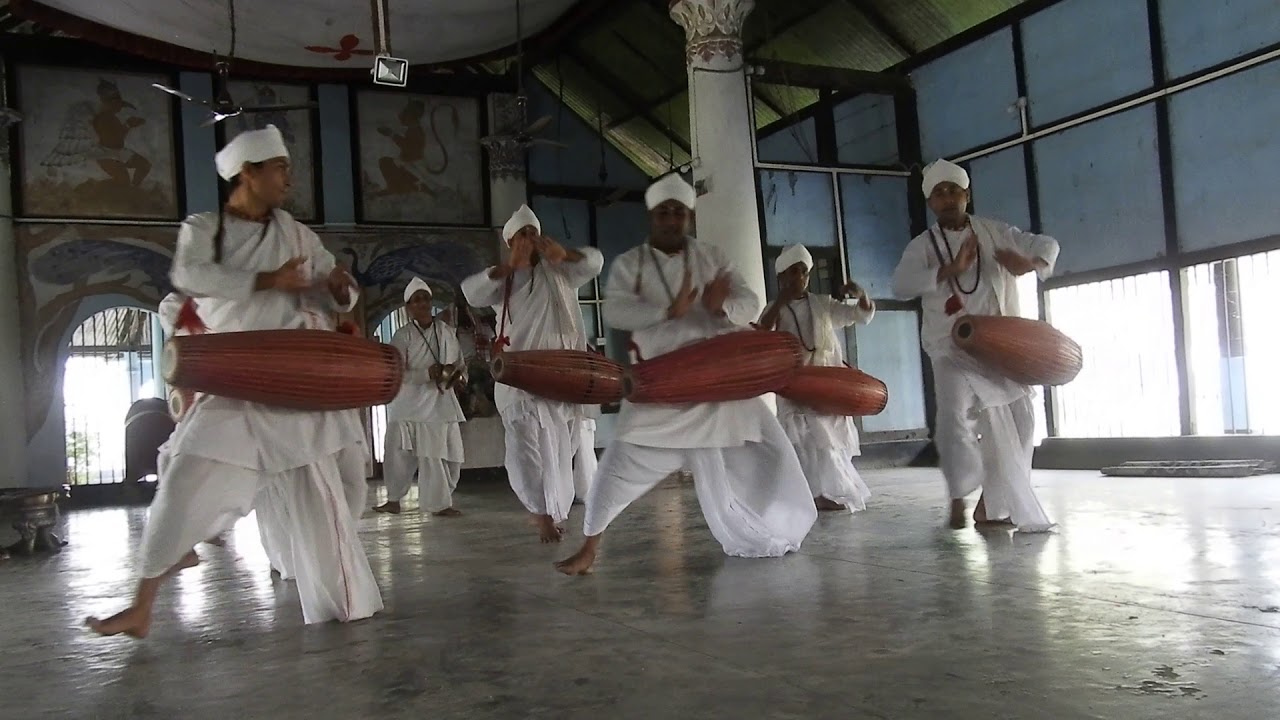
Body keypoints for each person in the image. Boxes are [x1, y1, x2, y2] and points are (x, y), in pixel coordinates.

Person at [86, 126, 383, 638]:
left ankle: (345, 603)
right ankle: (141, 606)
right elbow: (190, 276)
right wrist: (270, 281)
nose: (289, 179)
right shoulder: (206, 228)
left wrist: (341, 288)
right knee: (182, 479)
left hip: (295, 386)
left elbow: (338, 286)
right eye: (280, 169)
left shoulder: (295, 232)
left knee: (327, 500)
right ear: (249, 173)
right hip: (238, 380)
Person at [556, 174, 818, 575]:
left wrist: (723, 305)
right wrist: (665, 312)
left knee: (773, 452)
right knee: (619, 463)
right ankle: (589, 547)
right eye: (664, 211)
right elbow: (616, 311)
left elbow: (750, 302)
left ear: (689, 216)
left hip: (721, 383)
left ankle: (781, 526)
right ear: (652, 216)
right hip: (665, 384)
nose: (672, 218)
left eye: (679, 211)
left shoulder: (713, 257)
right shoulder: (632, 264)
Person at [890, 158, 1059, 532]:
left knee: (1022, 418)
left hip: (999, 344)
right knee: (955, 420)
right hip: (949, 346)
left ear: (967, 195)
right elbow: (900, 286)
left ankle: (993, 505)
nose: (948, 197)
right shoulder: (923, 246)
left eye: (954, 190)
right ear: (931, 202)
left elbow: (1047, 243)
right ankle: (958, 497)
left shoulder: (996, 232)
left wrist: (1030, 262)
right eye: (939, 192)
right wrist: (948, 270)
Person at [461, 205, 604, 542]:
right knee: (525, 451)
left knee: (561, 449)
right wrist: (508, 267)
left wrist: (564, 253)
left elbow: (595, 262)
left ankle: (555, 508)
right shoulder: (503, 279)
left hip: (562, 378)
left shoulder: (562, 272)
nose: (529, 240)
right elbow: (471, 291)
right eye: (522, 235)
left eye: (533, 233)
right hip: (519, 379)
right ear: (510, 241)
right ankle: (539, 513)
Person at [757, 244, 875, 512]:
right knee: (805, 439)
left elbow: (858, 315)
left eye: (804, 272)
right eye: (793, 272)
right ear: (781, 277)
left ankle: (831, 491)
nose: (800, 277)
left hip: (827, 386)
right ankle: (813, 494)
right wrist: (780, 301)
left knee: (830, 441)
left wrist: (861, 295)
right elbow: (762, 332)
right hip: (795, 389)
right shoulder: (773, 309)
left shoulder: (822, 304)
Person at [374, 277, 467, 517]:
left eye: (425, 298)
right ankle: (394, 499)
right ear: (409, 307)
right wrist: (426, 373)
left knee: (444, 456)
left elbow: (459, 363)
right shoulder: (402, 336)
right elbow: (397, 372)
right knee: (397, 454)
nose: (422, 303)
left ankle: (439, 503)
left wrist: (458, 378)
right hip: (408, 404)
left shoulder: (446, 331)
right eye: (416, 300)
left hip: (440, 402)